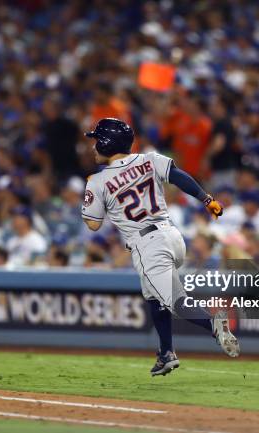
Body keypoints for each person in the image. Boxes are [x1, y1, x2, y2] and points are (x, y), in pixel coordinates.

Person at [82, 118, 239, 377]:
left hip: (147, 244)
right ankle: (166, 353)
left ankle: (214, 324)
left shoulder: (97, 181)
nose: (94, 146)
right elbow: (178, 176)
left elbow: (93, 224)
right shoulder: (149, 159)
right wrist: (207, 199)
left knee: (176, 302)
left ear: (108, 143)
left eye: (97, 140)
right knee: (155, 296)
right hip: (172, 236)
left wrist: (92, 195)